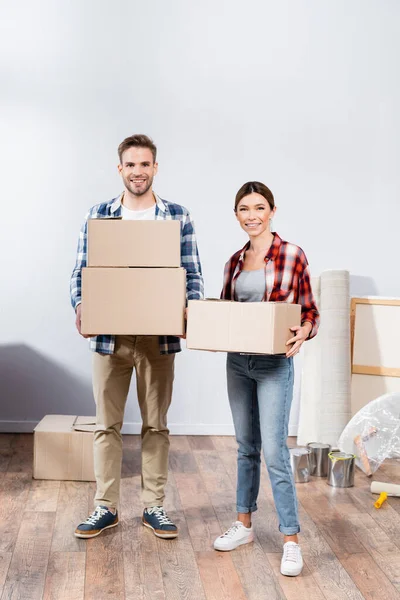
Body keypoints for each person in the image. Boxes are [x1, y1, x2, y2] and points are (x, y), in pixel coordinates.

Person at [70, 134, 203, 539]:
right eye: (131, 165)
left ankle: (153, 507)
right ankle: (105, 507)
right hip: (110, 336)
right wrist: (81, 307)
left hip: (159, 338)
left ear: (155, 168)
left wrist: (188, 310)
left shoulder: (177, 215)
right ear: (120, 169)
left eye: (145, 164)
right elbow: (81, 272)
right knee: (106, 425)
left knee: (156, 425)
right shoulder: (100, 214)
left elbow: (192, 274)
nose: (138, 172)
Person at [213, 181, 319, 577]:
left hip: (274, 364)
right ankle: (243, 526)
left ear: (272, 211)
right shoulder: (234, 262)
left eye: (259, 207)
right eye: (244, 209)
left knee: (274, 451)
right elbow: (225, 313)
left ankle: (291, 540)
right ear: (237, 215)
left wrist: (305, 331)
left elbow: (310, 311)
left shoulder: (292, 255)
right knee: (245, 447)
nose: (252, 215)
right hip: (238, 364)